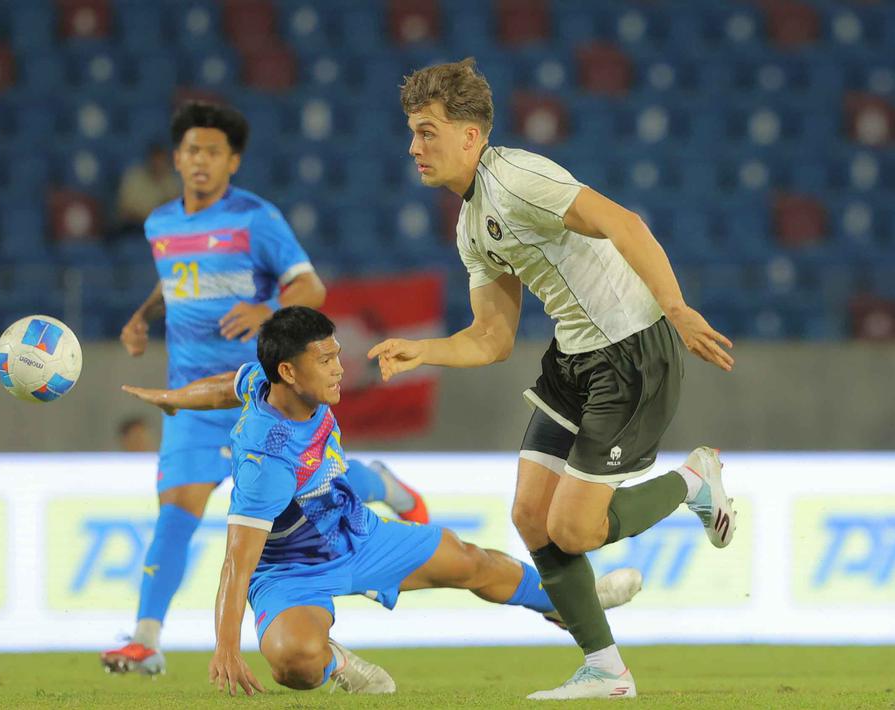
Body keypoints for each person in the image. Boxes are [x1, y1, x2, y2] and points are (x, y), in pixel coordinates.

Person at [366, 59, 738, 699]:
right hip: (574, 359)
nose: (414, 146)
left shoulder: (516, 178)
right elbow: (493, 338)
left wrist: (676, 309)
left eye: (427, 131)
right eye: (412, 131)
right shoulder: (469, 223)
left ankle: (692, 481)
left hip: (631, 352)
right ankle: (606, 670)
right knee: (531, 515)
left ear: (471, 135)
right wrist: (423, 351)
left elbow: (626, 224)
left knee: (574, 531)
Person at [121, 306, 642, 696]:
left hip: (357, 533)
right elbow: (238, 560)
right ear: (289, 372)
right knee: (293, 665)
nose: (339, 370)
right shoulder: (265, 460)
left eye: (336, 356)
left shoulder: (266, 379)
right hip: (290, 570)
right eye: (325, 360)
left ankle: (569, 603)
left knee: (470, 561)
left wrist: (174, 398)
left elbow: (225, 386)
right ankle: (339, 664)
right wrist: (227, 647)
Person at [102, 102, 429, 676]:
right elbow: (175, 280)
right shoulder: (160, 225)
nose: (200, 161)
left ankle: (378, 479)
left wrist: (267, 308)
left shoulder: (256, 218)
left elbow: (312, 286)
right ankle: (147, 639)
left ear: (233, 161)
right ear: (176, 158)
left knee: (314, 495)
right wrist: (142, 316)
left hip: (263, 399)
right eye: (192, 150)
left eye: (213, 152)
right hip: (195, 399)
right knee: (175, 514)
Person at [114, 142, 181, 234]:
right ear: (149, 160)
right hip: (134, 228)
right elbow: (124, 211)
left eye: (162, 162)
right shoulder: (134, 177)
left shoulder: (171, 182)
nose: (158, 165)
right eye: (156, 161)